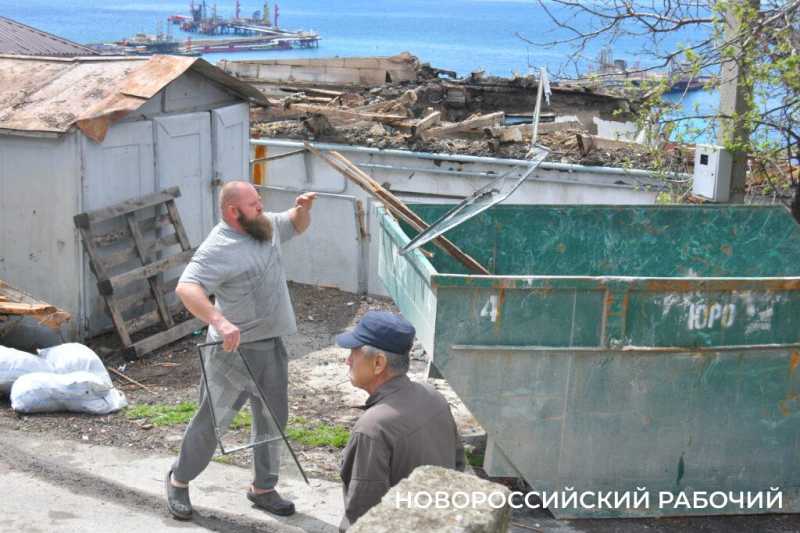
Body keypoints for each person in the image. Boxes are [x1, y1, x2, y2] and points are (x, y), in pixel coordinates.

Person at [165, 181, 315, 520]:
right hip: (232, 351)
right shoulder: (218, 247)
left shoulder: (266, 226)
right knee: (212, 422)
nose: (261, 208)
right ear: (234, 212)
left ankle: (263, 488)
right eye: (254, 204)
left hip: (271, 345)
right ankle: (178, 479)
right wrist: (219, 321)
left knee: (272, 421)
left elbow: (295, 222)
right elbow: (186, 287)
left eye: (260, 201)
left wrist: (303, 209)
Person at [335, 311, 465, 530]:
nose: (348, 360)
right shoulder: (432, 395)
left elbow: (363, 517)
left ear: (378, 363)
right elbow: (458, 466)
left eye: (354, 352)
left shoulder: (372, 429)